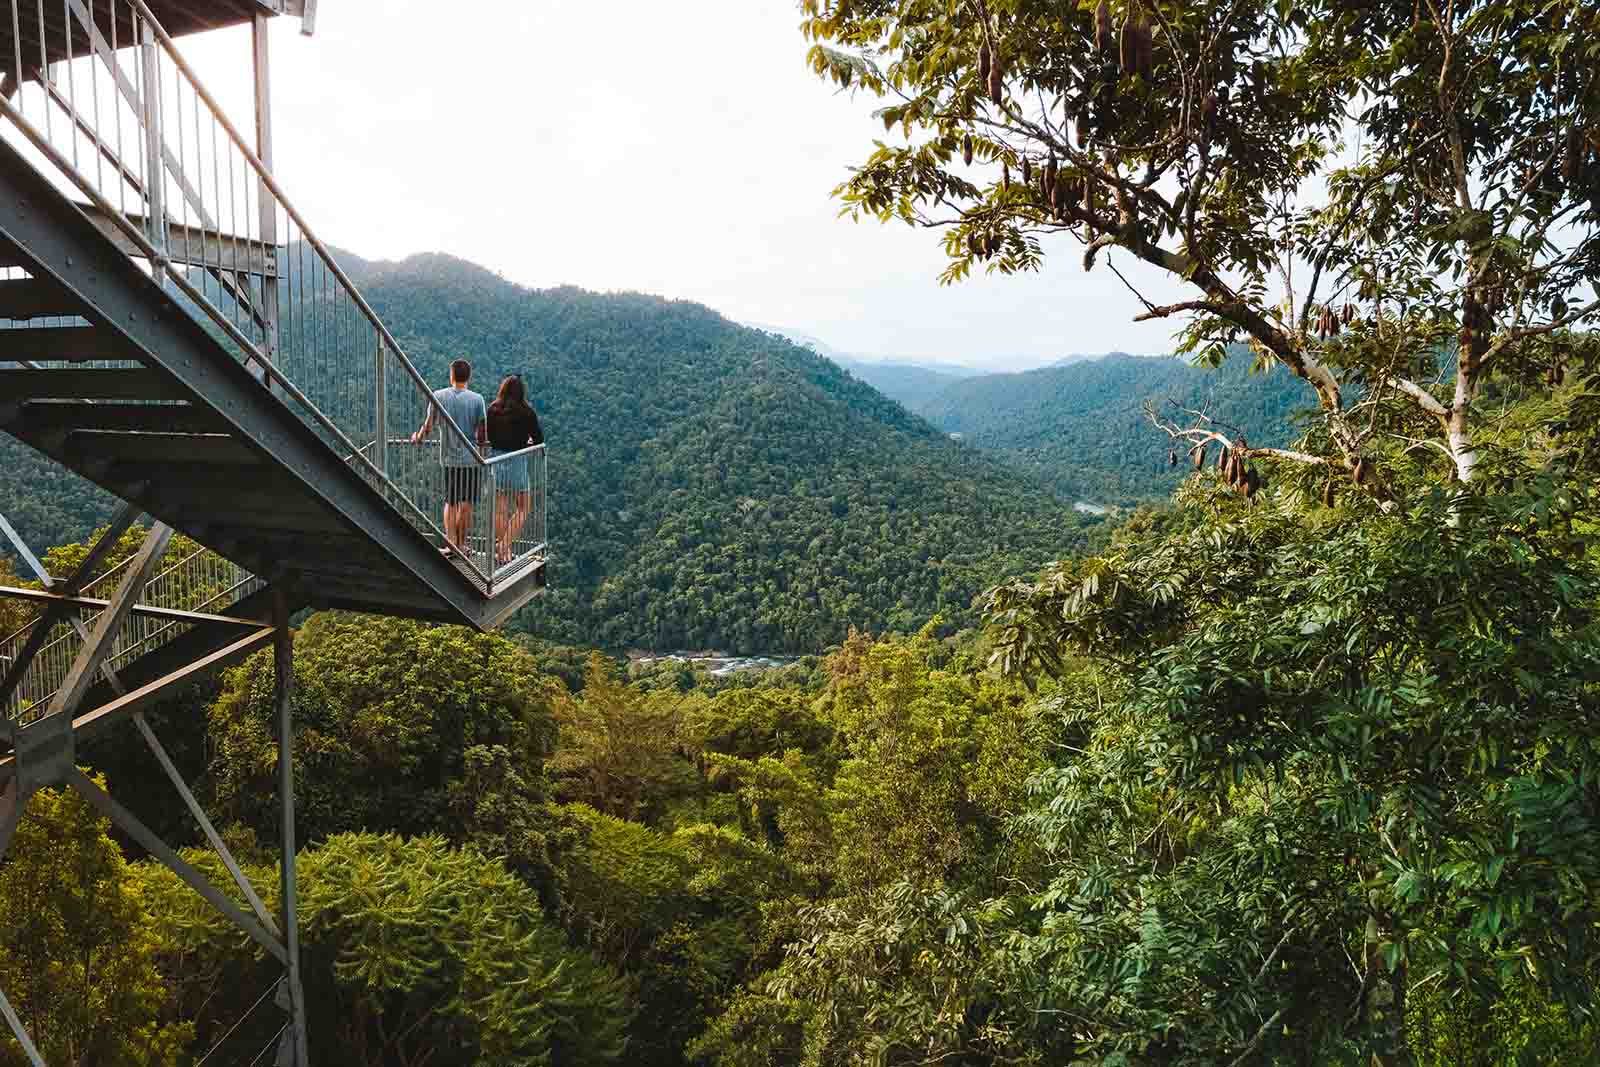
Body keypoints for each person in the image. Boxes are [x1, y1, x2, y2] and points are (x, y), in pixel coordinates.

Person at [411, 359, 487, 557]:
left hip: (449, 458)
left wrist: (417, 438)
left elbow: (428, 427)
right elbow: (481, 435)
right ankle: (462, 545)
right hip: (471, 459)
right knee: (467, 503)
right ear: (468, 377)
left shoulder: (438, 396)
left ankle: (451, 543)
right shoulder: (478, 400)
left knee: (450, 502)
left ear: (451, 375)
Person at [485, 374, 544, 564]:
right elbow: (538, 440)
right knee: (523, 507)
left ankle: (503, 550)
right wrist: (526, 442)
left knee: (500, 510)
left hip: (496, 460)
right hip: (517, 461)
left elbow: (489, 436)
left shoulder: (493, 409)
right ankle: (504, 547)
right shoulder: (527, 412)